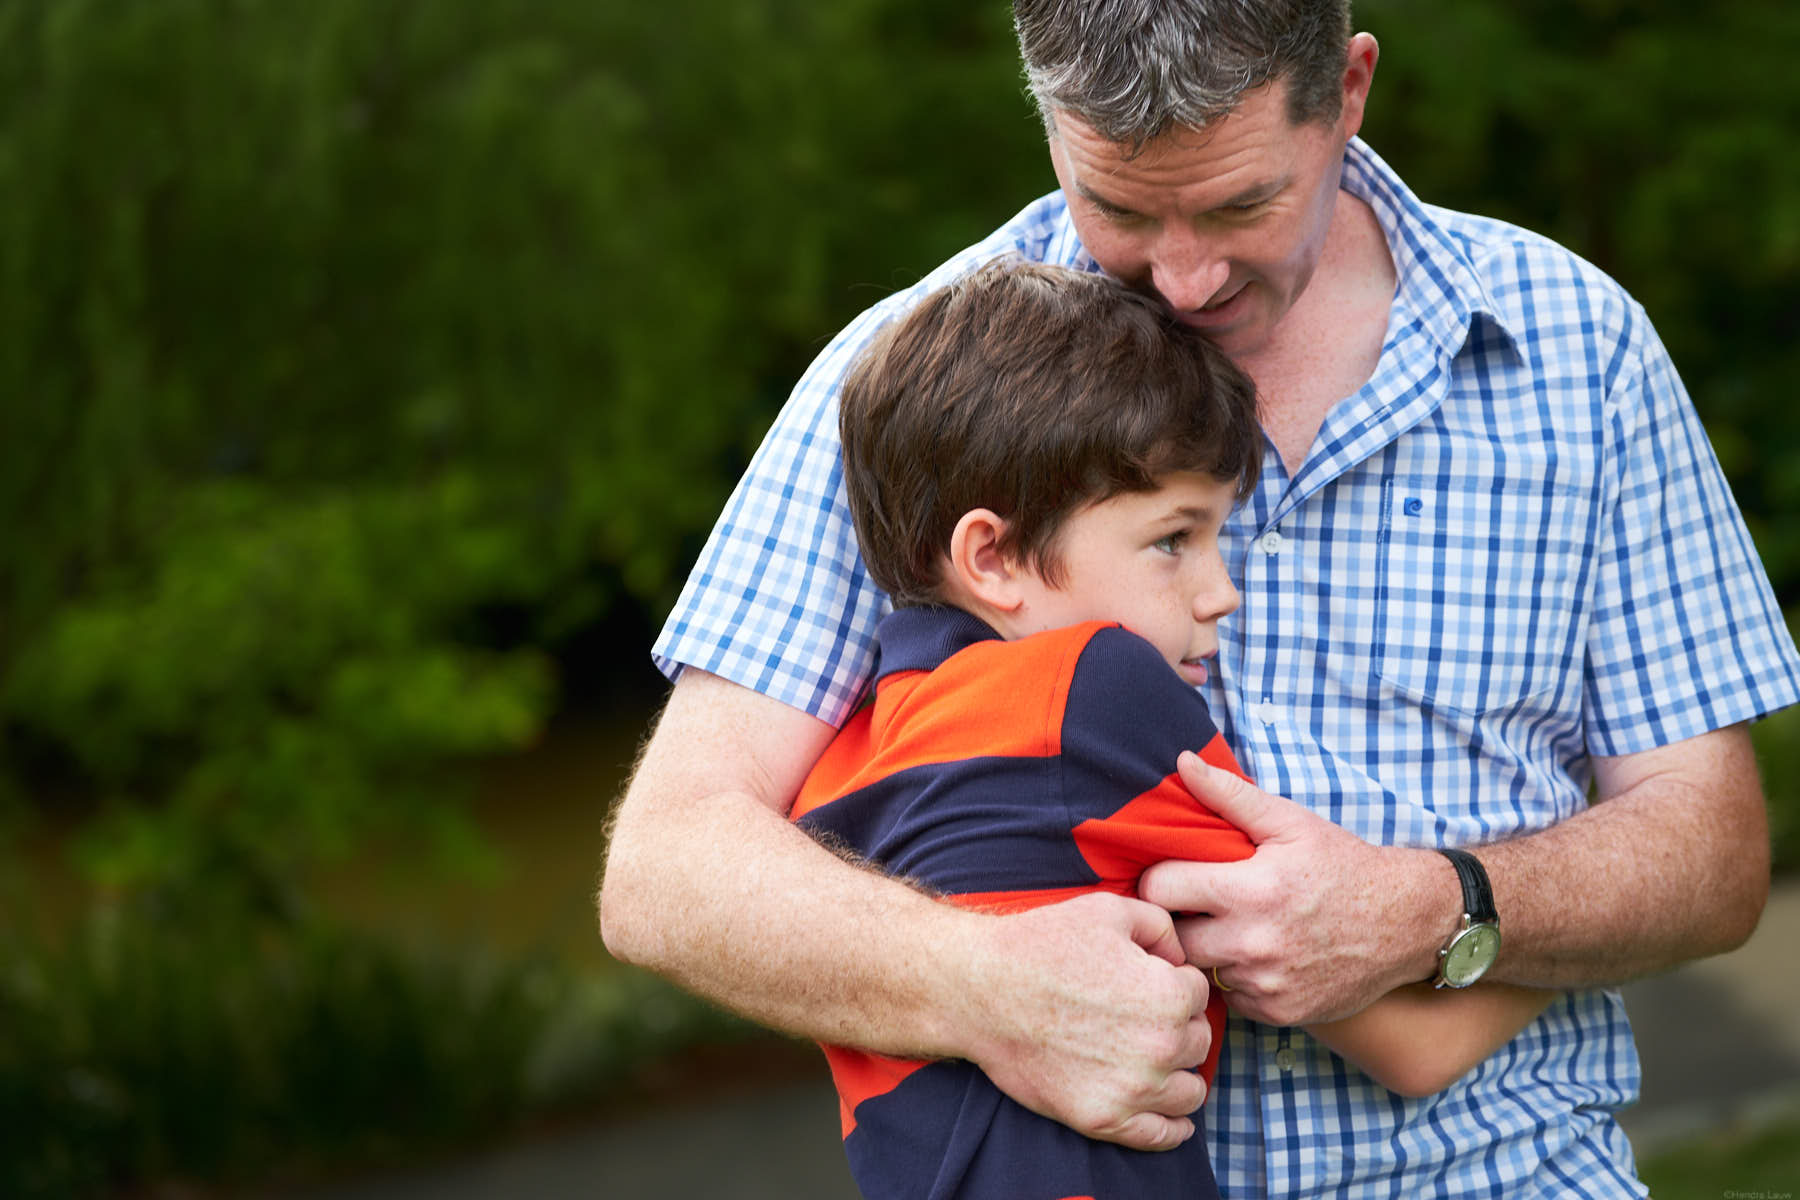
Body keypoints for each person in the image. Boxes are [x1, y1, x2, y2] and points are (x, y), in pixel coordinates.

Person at [601, 2, 1800, 1194]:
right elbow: (668, 871)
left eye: (1240, 206)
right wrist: (990, 986)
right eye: (1119, 206)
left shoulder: (1578, 351)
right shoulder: (918, 386)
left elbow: (1714, 848)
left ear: (1347, 92)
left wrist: (1446, 904)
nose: (1183, 279)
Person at [799, 256, 1552, 1200]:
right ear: (990, 557)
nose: (1220, 592)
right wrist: (1596, 934)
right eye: (1173, 539)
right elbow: (1416, 1045)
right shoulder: (1094, 692)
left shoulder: (842, 760)